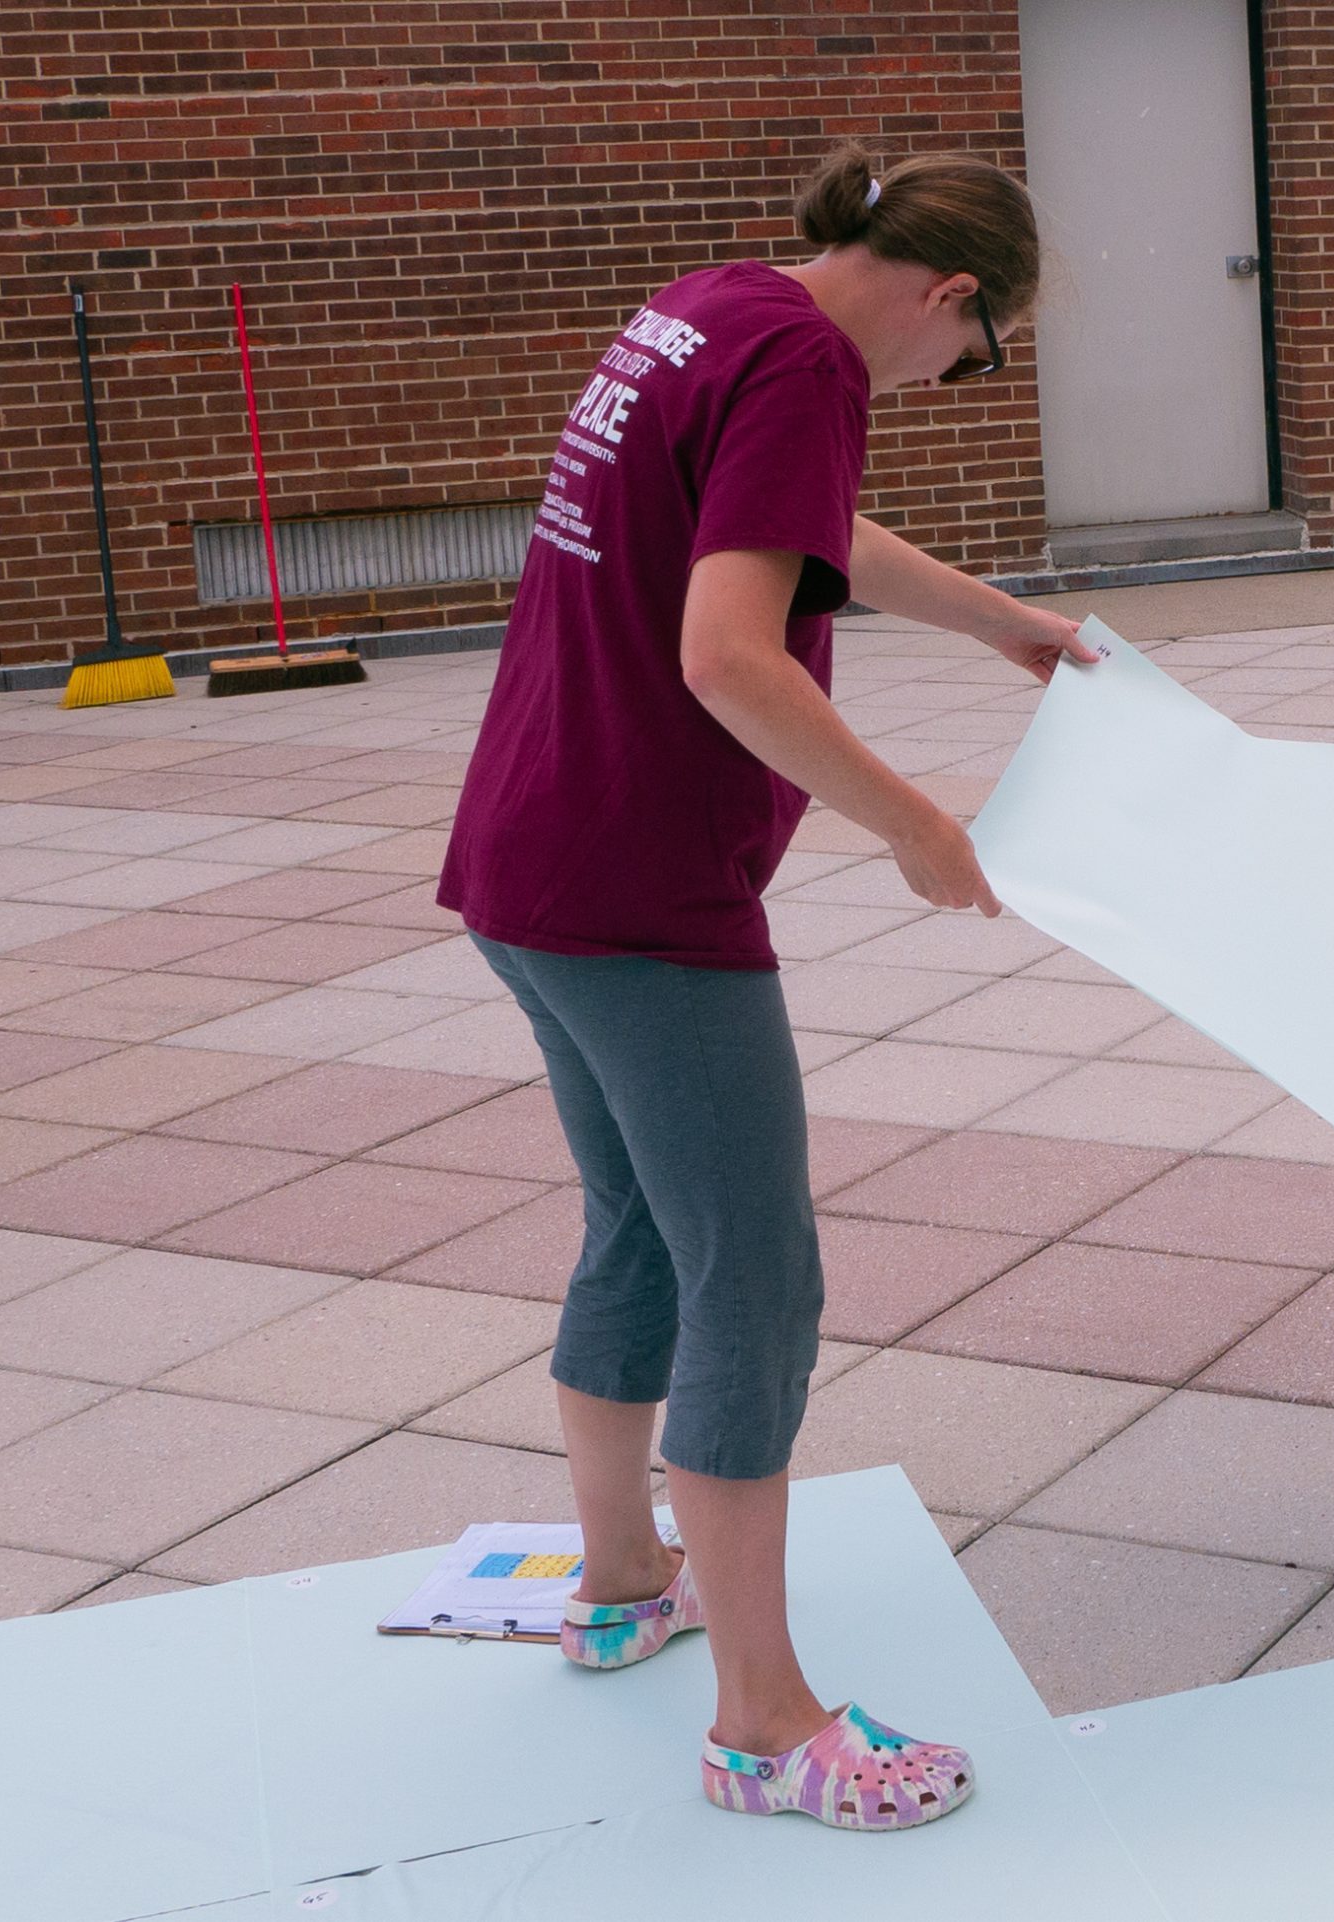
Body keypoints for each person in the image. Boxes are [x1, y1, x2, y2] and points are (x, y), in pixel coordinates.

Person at [436, 145, 1095, 1824]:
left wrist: (991, 618)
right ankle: (764, 1720)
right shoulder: (812, 362)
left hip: (531, 854)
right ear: (952, 296)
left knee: (643, 1227)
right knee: (758, 1276)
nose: (958, 377)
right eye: (982, 348)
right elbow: (726, 650)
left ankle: (618, 1584)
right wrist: (915, 823)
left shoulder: (720, 303)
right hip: (642, 893)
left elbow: (795, 531)